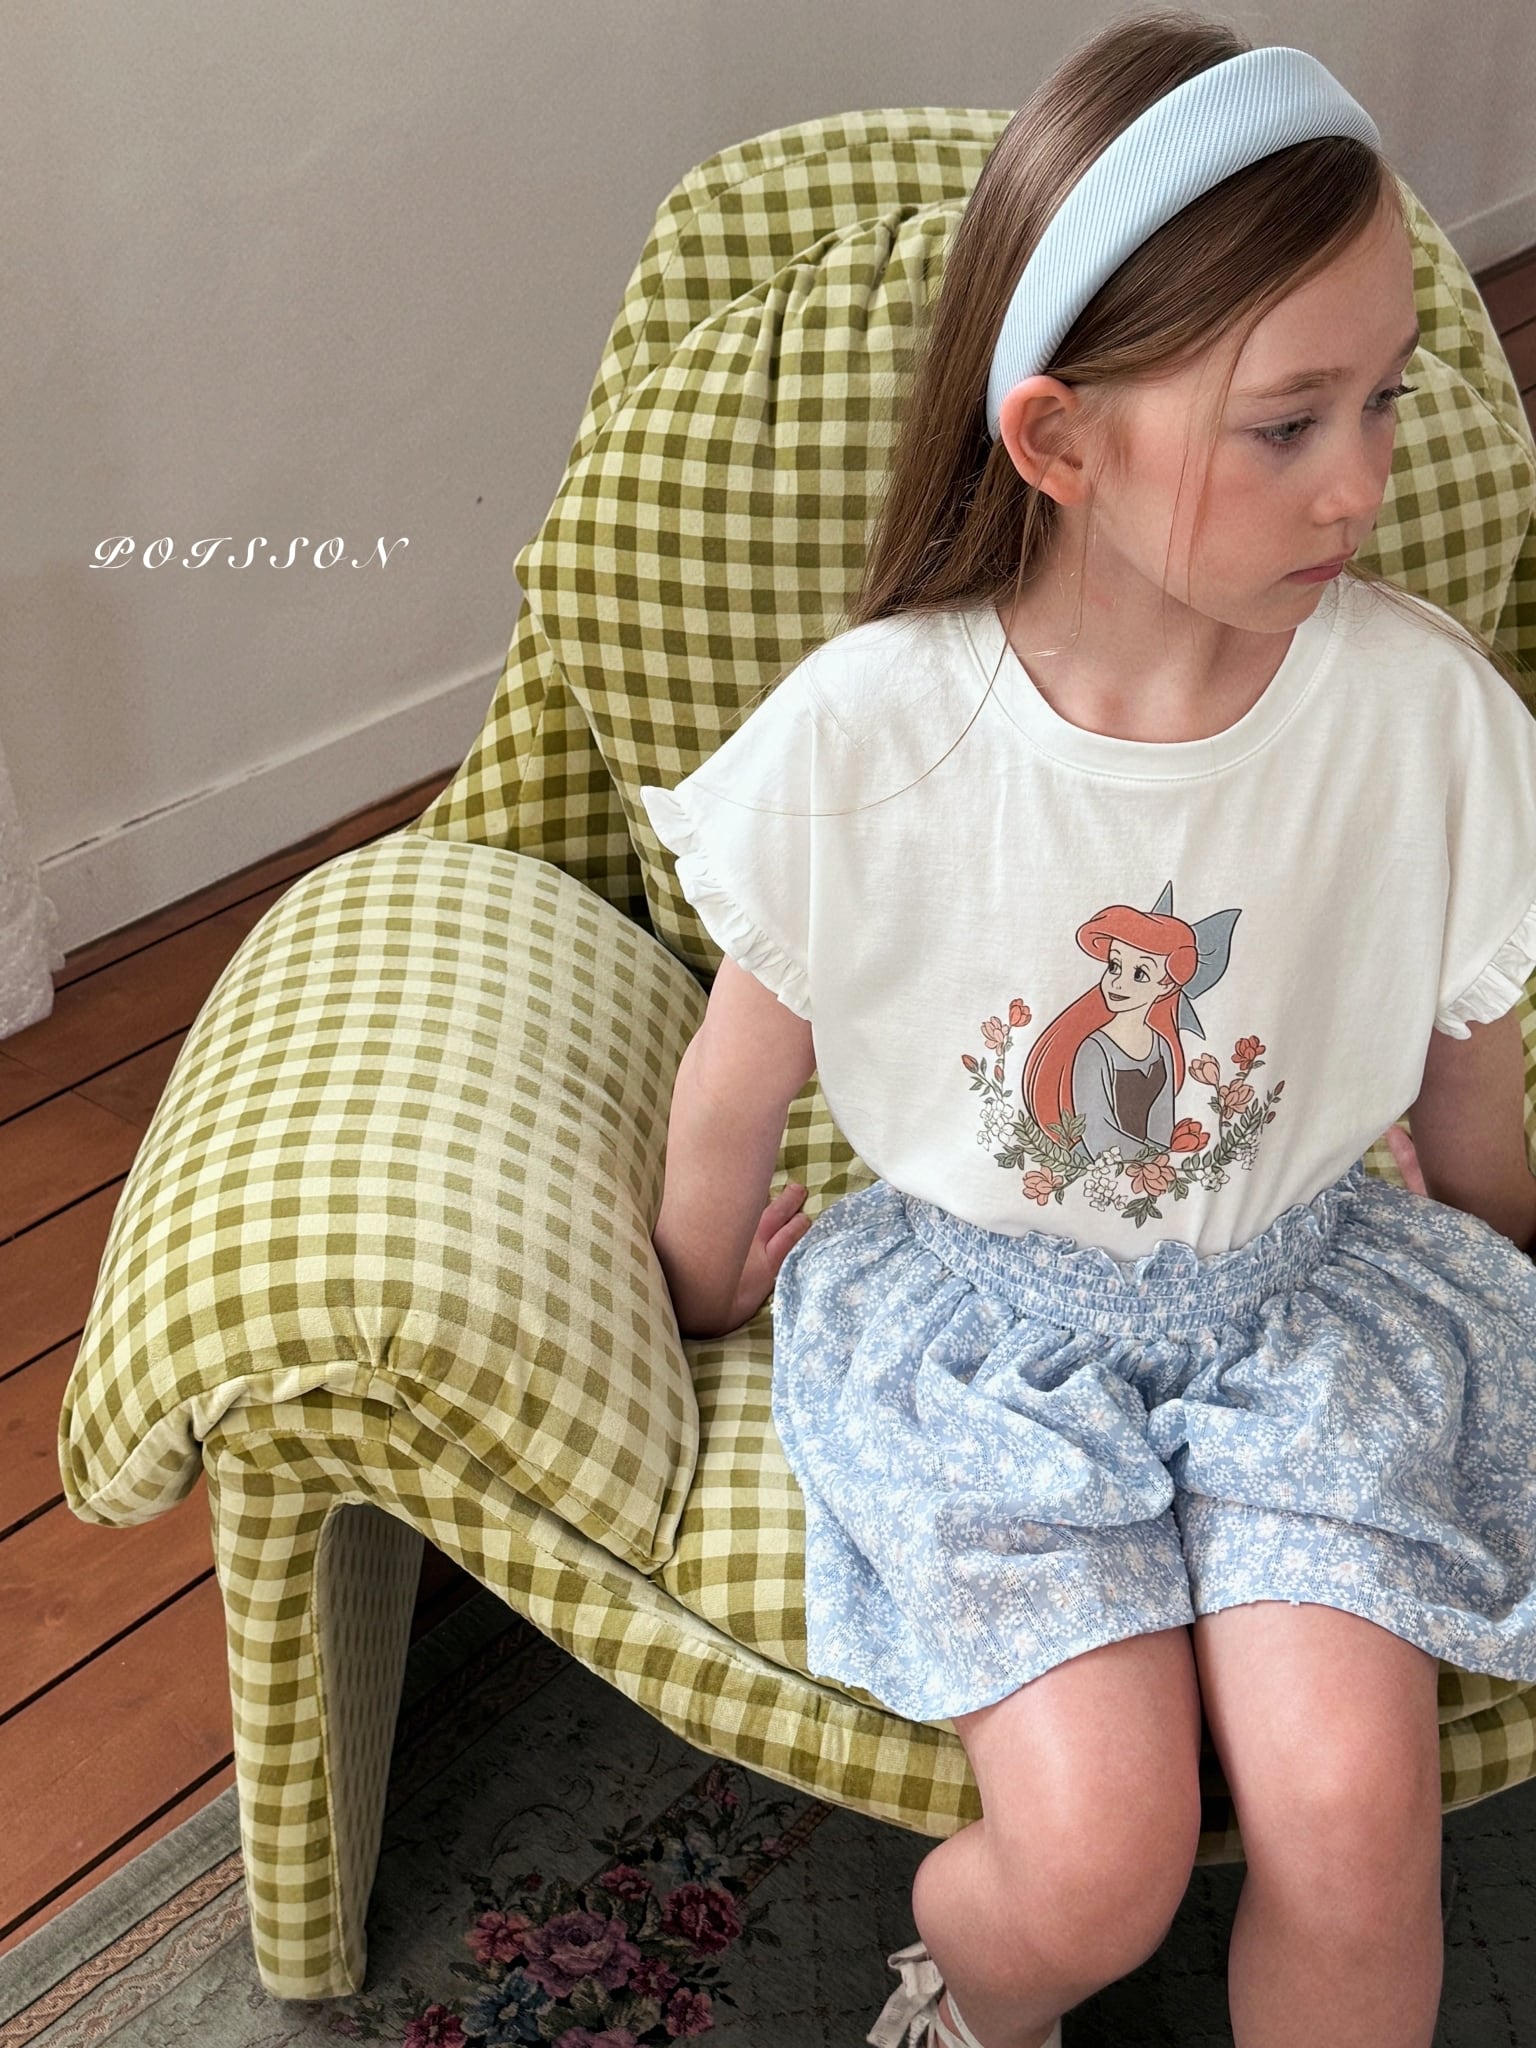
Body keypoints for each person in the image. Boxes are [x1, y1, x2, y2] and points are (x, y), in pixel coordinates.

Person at [639, 12, 1536, 2047]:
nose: (1365, 481)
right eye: (1287, 424)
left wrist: (1495, 1255)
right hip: (987, 1349)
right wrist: (695, 1288)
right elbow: (733, 1087)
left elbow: (1470, 1076)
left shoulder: (1423, 717)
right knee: (1094, 1862)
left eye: (1385, 399)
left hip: (1310, 1315)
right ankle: (967, 1996)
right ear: (1056, 442)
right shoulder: (880, 730)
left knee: (1354, 1824)